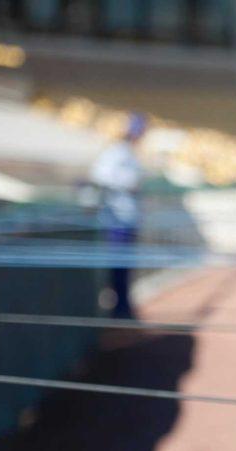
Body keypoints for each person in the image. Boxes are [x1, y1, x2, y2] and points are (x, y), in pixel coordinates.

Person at [89, 111, 147, 319]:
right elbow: (100, 177)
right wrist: (126, 185)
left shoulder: (130, 153)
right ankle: (118, 309)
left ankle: (124, 306)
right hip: (117, 219)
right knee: (117, 265)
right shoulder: (115, 152)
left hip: (129, 218)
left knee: (126, 266)